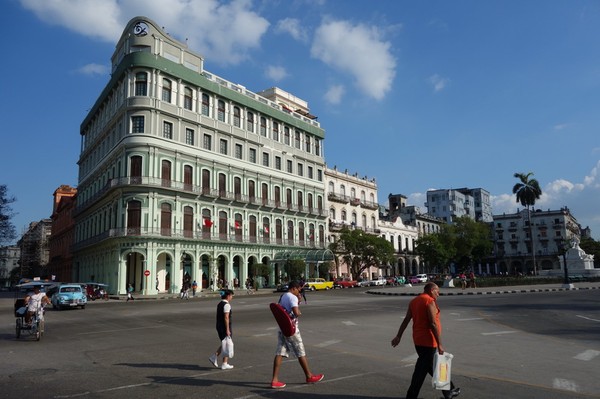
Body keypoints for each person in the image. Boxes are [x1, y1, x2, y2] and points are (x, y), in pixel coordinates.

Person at [391, 282, 460, 399]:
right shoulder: (429, 301)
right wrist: (440, 344)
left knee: (432, 367)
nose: (439, 294)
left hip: (418, 340)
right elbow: (433, 324)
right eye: (437, 291)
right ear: (431, 290)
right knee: (420, 371)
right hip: (429, 341)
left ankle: (449, 391)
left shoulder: (414, 301)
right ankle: (411, 396)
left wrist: (398, 336)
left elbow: (406, 320)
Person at [271, 281, 324, 389]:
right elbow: (296, 312)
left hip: (282, 328)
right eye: (299, 289)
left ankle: (274, 380)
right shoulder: (293, 297)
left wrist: (298, 301)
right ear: (294, 288)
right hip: (292, 330)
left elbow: (283, 310)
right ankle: (309, 376)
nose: (300, 291)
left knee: (280, 353)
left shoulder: (283, 296)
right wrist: (299, 309)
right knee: (300, 352)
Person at [209, 289, 234, 370]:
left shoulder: (220, 304)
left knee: (225, 344)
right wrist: (227, 329)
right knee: (226, 344)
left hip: (219, 326)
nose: (232, 297)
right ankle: (215, 357)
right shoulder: (226, 305)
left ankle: (224, 363)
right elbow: (226, 317)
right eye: (231, 296)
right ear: (228, 296)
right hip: (224, 327)